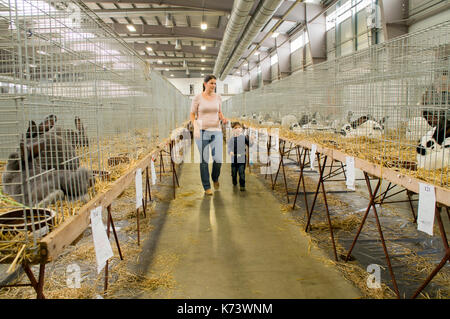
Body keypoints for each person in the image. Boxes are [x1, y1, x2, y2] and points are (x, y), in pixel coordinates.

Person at [190, 75, 228, 196]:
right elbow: (192, 114)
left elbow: (219, 112)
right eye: (211, 83)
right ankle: (207, 186)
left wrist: (223, 118)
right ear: (205, 84)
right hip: (202, 131)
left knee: (218, 159)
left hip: (216, 130)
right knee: (204, 160)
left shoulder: (218, 97)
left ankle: (215, 177)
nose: (214, 86)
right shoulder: (197, 98)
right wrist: (195, 125)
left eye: (215, 83)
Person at [227, 122, 252, 191]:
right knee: (234, 173)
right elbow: (229, 147)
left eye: (239, 127)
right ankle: (234, 181)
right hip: (234, 158)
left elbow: (250, 145)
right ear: (233, 130)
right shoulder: (231, 139)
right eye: (235, 128)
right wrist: (230, 151)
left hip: (242, 158)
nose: (238, 129)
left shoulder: (243, 137)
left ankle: (242, 185)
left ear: (241, 129)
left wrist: (251, 140)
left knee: (241, 172)